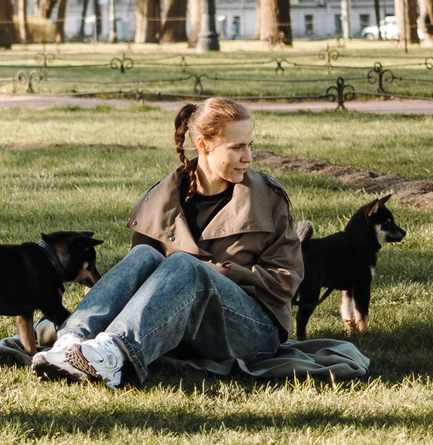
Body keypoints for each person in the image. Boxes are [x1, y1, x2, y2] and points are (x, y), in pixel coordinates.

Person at [31, 95, 302, 387]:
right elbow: (143, 278)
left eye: (249, 145)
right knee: (145, 255)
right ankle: (70, 342)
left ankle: (112, 355)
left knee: (184, 264)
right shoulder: (161, 198)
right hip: (177, 328)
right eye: (237, 147)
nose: (248, 157)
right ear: (203, 145)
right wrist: (109, 295)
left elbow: (285, 281)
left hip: (253, 332)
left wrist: (224, 272)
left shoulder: (267, 198)